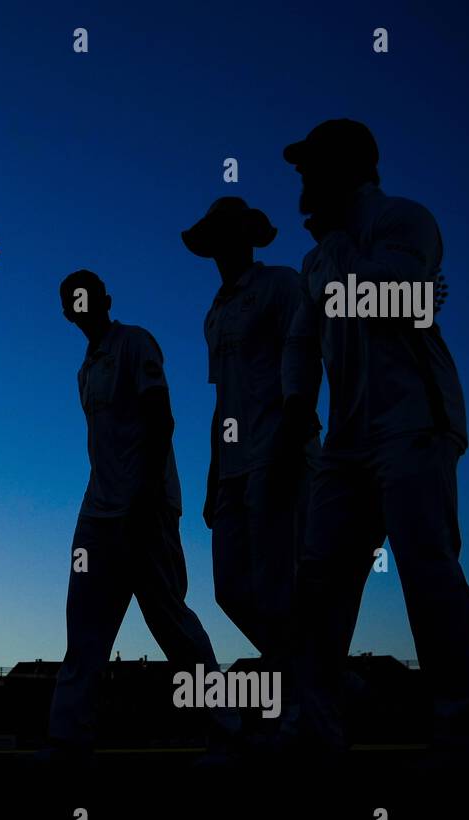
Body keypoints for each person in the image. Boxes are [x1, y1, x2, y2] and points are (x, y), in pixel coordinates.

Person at [283, 119, 469, 751]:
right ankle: (313, 725)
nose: (303, 184)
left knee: (426, 567)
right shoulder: (315, 258)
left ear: (348, 170)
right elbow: (301, 339)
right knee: (320, 580)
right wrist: (297, 402)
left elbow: (390, 300)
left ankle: (463, 727)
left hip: (415, 422)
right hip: (347, 440)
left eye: (312, 170)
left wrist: (342, 247)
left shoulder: (405, 220)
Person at [47, 269, 235, 762]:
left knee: (170, 620)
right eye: (72, 300)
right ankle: (69, 739)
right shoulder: (84, 371)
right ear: (67, 313)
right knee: (85, 624)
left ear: (105, 300)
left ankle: (226, 726)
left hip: (145, 510)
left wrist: (146, 497)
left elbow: (161, 417)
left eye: (87, 295)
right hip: (99, 513)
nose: (80, 305)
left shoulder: (135, 343)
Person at [182, 198, 321, 662]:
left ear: (247, 237)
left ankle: (303, 703)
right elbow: (223, 399)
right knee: (231, 589)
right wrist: (212, 475)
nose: (225, 243)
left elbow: (304, 357)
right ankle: (324, 676)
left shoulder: (280, 285)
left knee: (277, 583)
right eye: (216, 234)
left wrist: (293, 439)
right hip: (234, 467)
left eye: (232, 231)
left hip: (277, 450)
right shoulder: (214, 313)